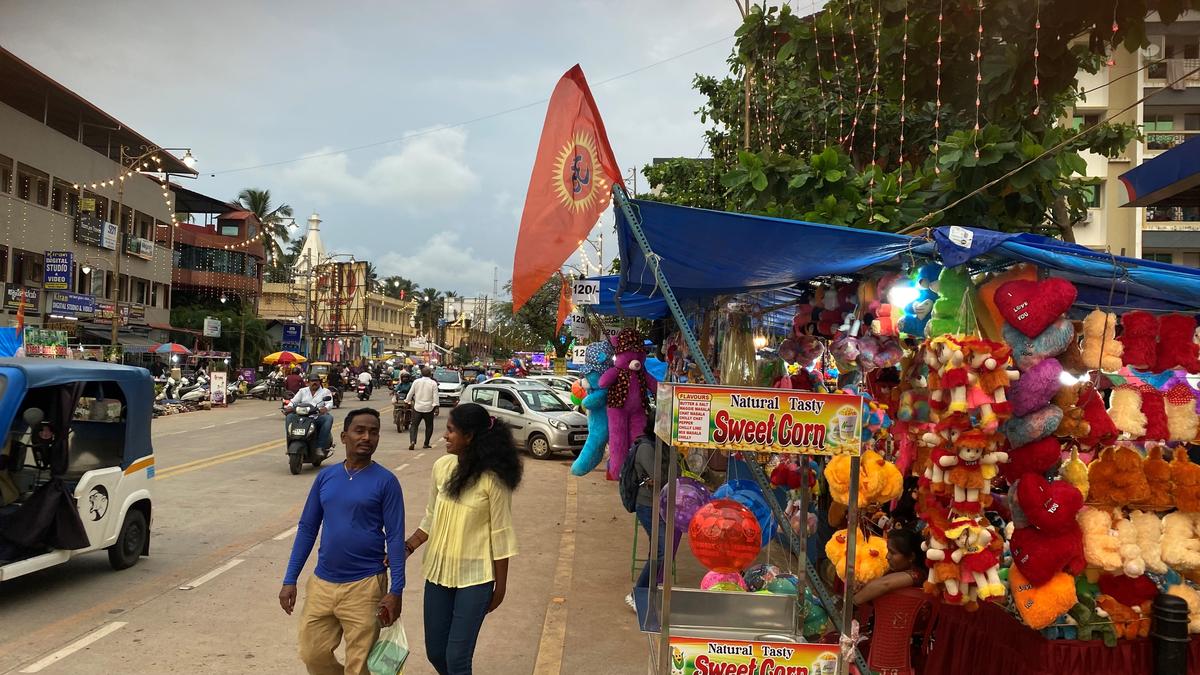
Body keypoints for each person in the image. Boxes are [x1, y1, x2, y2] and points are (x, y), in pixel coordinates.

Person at [279, 409, 406, 675]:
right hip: (322, 584)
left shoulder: (386, 482)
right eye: (360, 430)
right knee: (311, 653)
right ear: (344, 435)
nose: (367, 437)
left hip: (366, 586)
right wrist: (290, 579)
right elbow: (307, 528)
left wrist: (396, 591)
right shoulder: (326, 477)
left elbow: (395, 537)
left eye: (373, 432)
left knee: (359, 666)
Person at [405, 403, 522, 675]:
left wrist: (500, 588)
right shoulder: (441, 467)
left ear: (469, 436)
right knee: (436, 652)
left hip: (476, 579)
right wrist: (409, 546)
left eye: (450, 430)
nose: (445, 436)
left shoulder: (493, 479)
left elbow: (501, 534)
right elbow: (432, 515)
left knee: (457, 658)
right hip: (437, 573)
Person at [626, 414, 682, 611]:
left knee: (663, 549)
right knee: (661, 550)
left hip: (663, 504)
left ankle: (652, 589)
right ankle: (637, 593)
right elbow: (661, 478)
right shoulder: (646, 448)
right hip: (648, 506)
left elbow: (676, 475)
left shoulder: (666, 448)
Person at [852, 528, 927, 606]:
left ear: (911, 557)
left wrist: (853, 602)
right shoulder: (895, 570)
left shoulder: (918, 575)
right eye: (888, 551)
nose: (887, 556)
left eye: (893, 553)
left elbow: (885, 584)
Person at [286, 375, 335, 451]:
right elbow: (293, 401)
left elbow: (329, 403)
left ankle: (320, 447)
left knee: (328, 418)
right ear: (308, 383)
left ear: (320, 382)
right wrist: (289, 407)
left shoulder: (326, 392)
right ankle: (290, 442)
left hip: (317, 416)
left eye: (316, 381)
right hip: (302, 416)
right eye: (312, 381)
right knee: (289, 417)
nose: (314, 383)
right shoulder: (302, 391)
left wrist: (325, 408)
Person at [405, 367, 439, 451]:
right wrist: (436, 406)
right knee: (429, 426)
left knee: (414, 426)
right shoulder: (433, 383)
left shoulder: (416, 382)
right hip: (429, 408)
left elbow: (411, 392)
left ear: (421, 373)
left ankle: (412, 441)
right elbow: (435, 396)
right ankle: (426, 444)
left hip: (418, 407)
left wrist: (407, 401)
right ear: (430, 374)